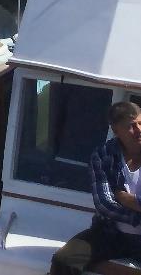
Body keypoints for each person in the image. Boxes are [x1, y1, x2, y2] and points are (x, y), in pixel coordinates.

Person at [52, 100, 141, 275]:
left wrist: (126, 199)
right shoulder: (102, 155)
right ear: (116, 130)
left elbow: (116, 199)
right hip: (109, 234)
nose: (139, 130)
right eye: (132, 126)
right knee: (63, 260)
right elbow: (104, 204)